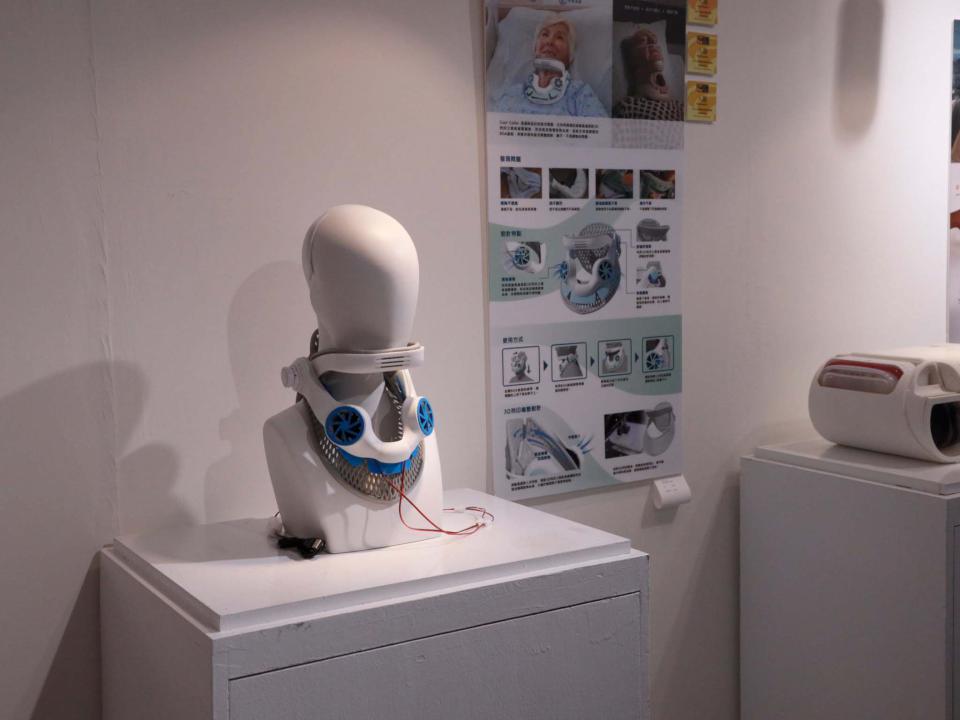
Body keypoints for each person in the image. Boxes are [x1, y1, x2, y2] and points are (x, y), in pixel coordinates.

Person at [494, 13, 607, 117]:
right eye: (545, 34)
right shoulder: (513, 94)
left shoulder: (579, 94)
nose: (549, 41)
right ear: (535, 49)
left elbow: (601, 131)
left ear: (570, 55)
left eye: (559, 37)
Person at [613, 26, 684, 121]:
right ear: (632, 58)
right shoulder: (628, 107)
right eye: (643, 42)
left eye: (654, 43)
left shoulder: (680, 106)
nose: (653, 45)